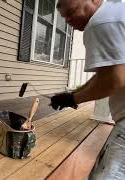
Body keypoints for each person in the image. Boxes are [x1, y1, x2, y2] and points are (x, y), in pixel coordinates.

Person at [51, 0, 125, 179]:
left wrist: (74, 100)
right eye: (65, 17)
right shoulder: (117, 13)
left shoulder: (100, 22)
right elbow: (106, 74)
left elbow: (115, 80)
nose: (68, 21)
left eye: (72, 12)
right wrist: (73, 95)